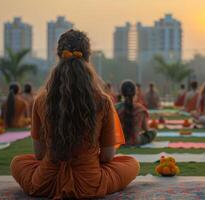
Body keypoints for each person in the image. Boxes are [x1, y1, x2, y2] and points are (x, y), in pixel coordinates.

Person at [10, 30, 139, 199]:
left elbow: (40, 155)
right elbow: (107, 156)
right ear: (88, 58)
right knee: (132, 163)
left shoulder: (41, 100)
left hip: (45, 182)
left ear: (58, 57)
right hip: (90, 184)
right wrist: (85, 161)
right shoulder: (102, 101)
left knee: (17, 162)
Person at [116, 80, 157, 145]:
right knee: (153, 132)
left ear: (122, 93)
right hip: (135, 141)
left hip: (118, 141)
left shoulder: (116, 108)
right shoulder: (141, 109)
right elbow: (146, 129)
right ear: (135, 92)